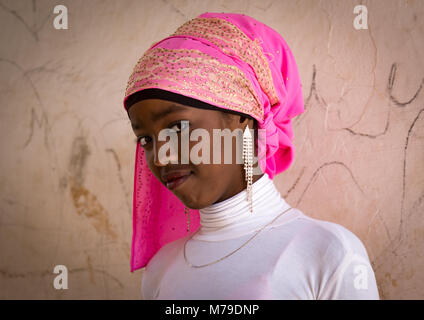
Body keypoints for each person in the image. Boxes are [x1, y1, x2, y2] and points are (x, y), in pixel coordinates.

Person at [123, 12, 380, 299]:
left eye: (178, 127)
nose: (160, 157)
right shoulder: (160, 270)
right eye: (146, 139)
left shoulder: (329, 255)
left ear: (241, 117)